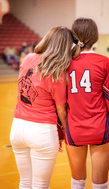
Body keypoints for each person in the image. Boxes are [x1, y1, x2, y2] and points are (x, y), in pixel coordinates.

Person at [10, 26, 73, 189]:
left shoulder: (28, 58)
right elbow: (61, 110)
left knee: (24, 183)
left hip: (17, 127)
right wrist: (67, 131)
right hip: (42, 131)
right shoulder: (57, 72)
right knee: (40, 186)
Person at [65, 18, 109, 189]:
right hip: (100, 130)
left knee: (77, 183)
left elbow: (59, 102)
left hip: (74, 130)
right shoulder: (104, 62)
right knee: (100, 185)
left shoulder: (64, 62)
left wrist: (60, 134)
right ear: (95, 37)